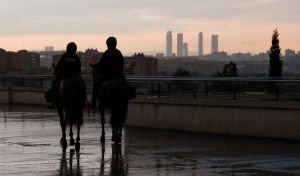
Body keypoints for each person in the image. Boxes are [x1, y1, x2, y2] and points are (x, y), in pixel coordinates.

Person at [90, 37, 125, 109]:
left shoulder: (107, 53)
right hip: (119, 76)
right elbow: (122, 65)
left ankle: (93, 104)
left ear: (108, 44)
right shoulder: (119, 53)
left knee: (95, 85)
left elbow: (102, 65)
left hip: (108, 76)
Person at [46, 42, 81, 109]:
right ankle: (85, 101)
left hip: (65, 77)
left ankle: (53, 103)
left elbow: (59, 67)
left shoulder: (64, 56)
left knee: (54, 84)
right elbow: (79, 68)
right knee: (82, 86)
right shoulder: (76, 57)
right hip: (76, 77)